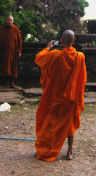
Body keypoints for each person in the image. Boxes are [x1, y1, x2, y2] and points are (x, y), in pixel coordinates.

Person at [35, 30, 87, 162]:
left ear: (61, 41)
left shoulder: (55, 55)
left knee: (51, 123)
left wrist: (48, 47)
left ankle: (46, 150)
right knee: (69, 124)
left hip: (55, 97)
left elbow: (39, 58)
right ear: (74, 41)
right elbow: (82, 79)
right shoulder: (80, 56)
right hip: (71, 98)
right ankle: (69, 152)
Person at [0, 16, 22, 88]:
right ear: (5, 21)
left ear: (13, 21)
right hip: (4, 52)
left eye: (11, 21)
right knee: (3, 67)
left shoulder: (15, 29)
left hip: (13, 52)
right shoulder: (1, 29)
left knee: (12, 67)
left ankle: (11, 83)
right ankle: (2, 84)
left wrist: (19, 51)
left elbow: (19, 41)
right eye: (8, 20)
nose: (9, 22)